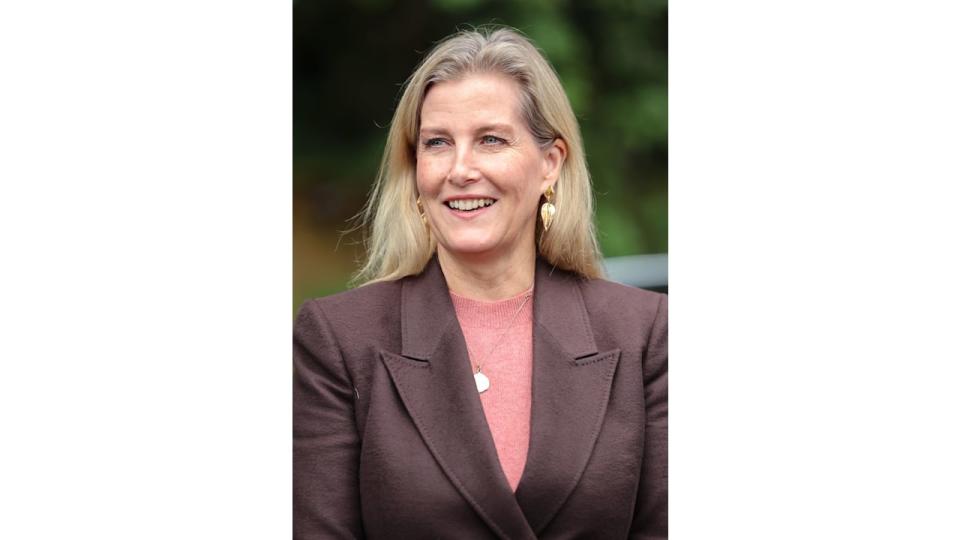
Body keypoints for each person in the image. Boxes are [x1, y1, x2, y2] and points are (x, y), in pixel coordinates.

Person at [294, 26, 667, 539]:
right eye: (438, 143)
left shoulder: (646, 333)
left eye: (490, 140)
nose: (460, 169)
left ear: (550, 164)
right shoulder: (337, 340)